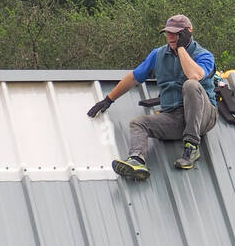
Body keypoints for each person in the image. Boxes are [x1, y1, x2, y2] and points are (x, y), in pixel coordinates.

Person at [86, 14, 218, 179]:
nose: (170, 36)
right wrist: (108, 100)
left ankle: (191, 147)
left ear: (188, 33)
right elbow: (134, 77)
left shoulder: (204, 55)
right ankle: (137, 161)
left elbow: (194, 75)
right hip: (174, 117)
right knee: (138, 123)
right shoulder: (158, 54)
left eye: (176, 33)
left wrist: (182, 49)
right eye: (168, 32)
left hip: (204, 116)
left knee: (190, 85)